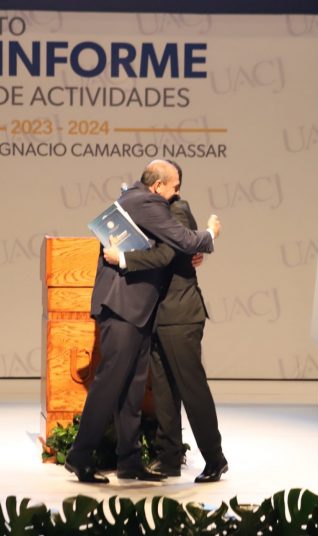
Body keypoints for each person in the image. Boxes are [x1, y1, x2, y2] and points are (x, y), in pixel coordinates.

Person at [64, 159, 221, 484]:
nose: (177, 194)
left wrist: (185, 255)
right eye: (174, 187)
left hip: (139, 311)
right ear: (158, 186)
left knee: (132, 388)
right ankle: (80, 455)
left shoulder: (134, 197)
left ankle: (129, 461)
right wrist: (209, 234)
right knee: (110, 383)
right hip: (123, 305)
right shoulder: (147, 202)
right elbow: (179, 243)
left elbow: (169, 251)